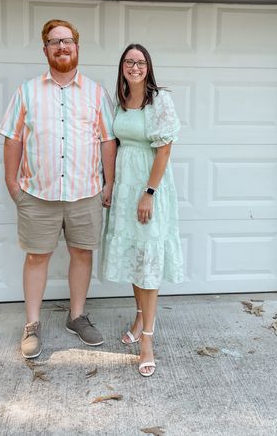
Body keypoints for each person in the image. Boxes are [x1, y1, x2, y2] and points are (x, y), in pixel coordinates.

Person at [0, 19, 116, 359]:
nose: (61, 47)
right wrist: (12, 184)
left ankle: (76, 316)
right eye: (54, 42)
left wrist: (108, 184)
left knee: (82, 253)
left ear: (77, 47)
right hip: (38, 194)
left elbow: (108, 142)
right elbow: (13, 139)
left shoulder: (95, 93)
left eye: (67, 41)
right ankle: (32, 324)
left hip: (86, 192)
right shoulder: (27, 92)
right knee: (37, 257)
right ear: (45, 49)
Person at [102, 43, 183, 377]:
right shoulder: (121, 101)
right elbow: (115, 144)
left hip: (149, 188)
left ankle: (147, 341)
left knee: (148, 262)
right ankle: (139, 317)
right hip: (125, 188)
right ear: (122, 67)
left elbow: (164, 151)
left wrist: (148, 193)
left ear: (148, 67)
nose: (134, 67)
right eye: (128, 62)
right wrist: (111, 184)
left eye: (140, 62)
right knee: (135, 256)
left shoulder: (160, 100)